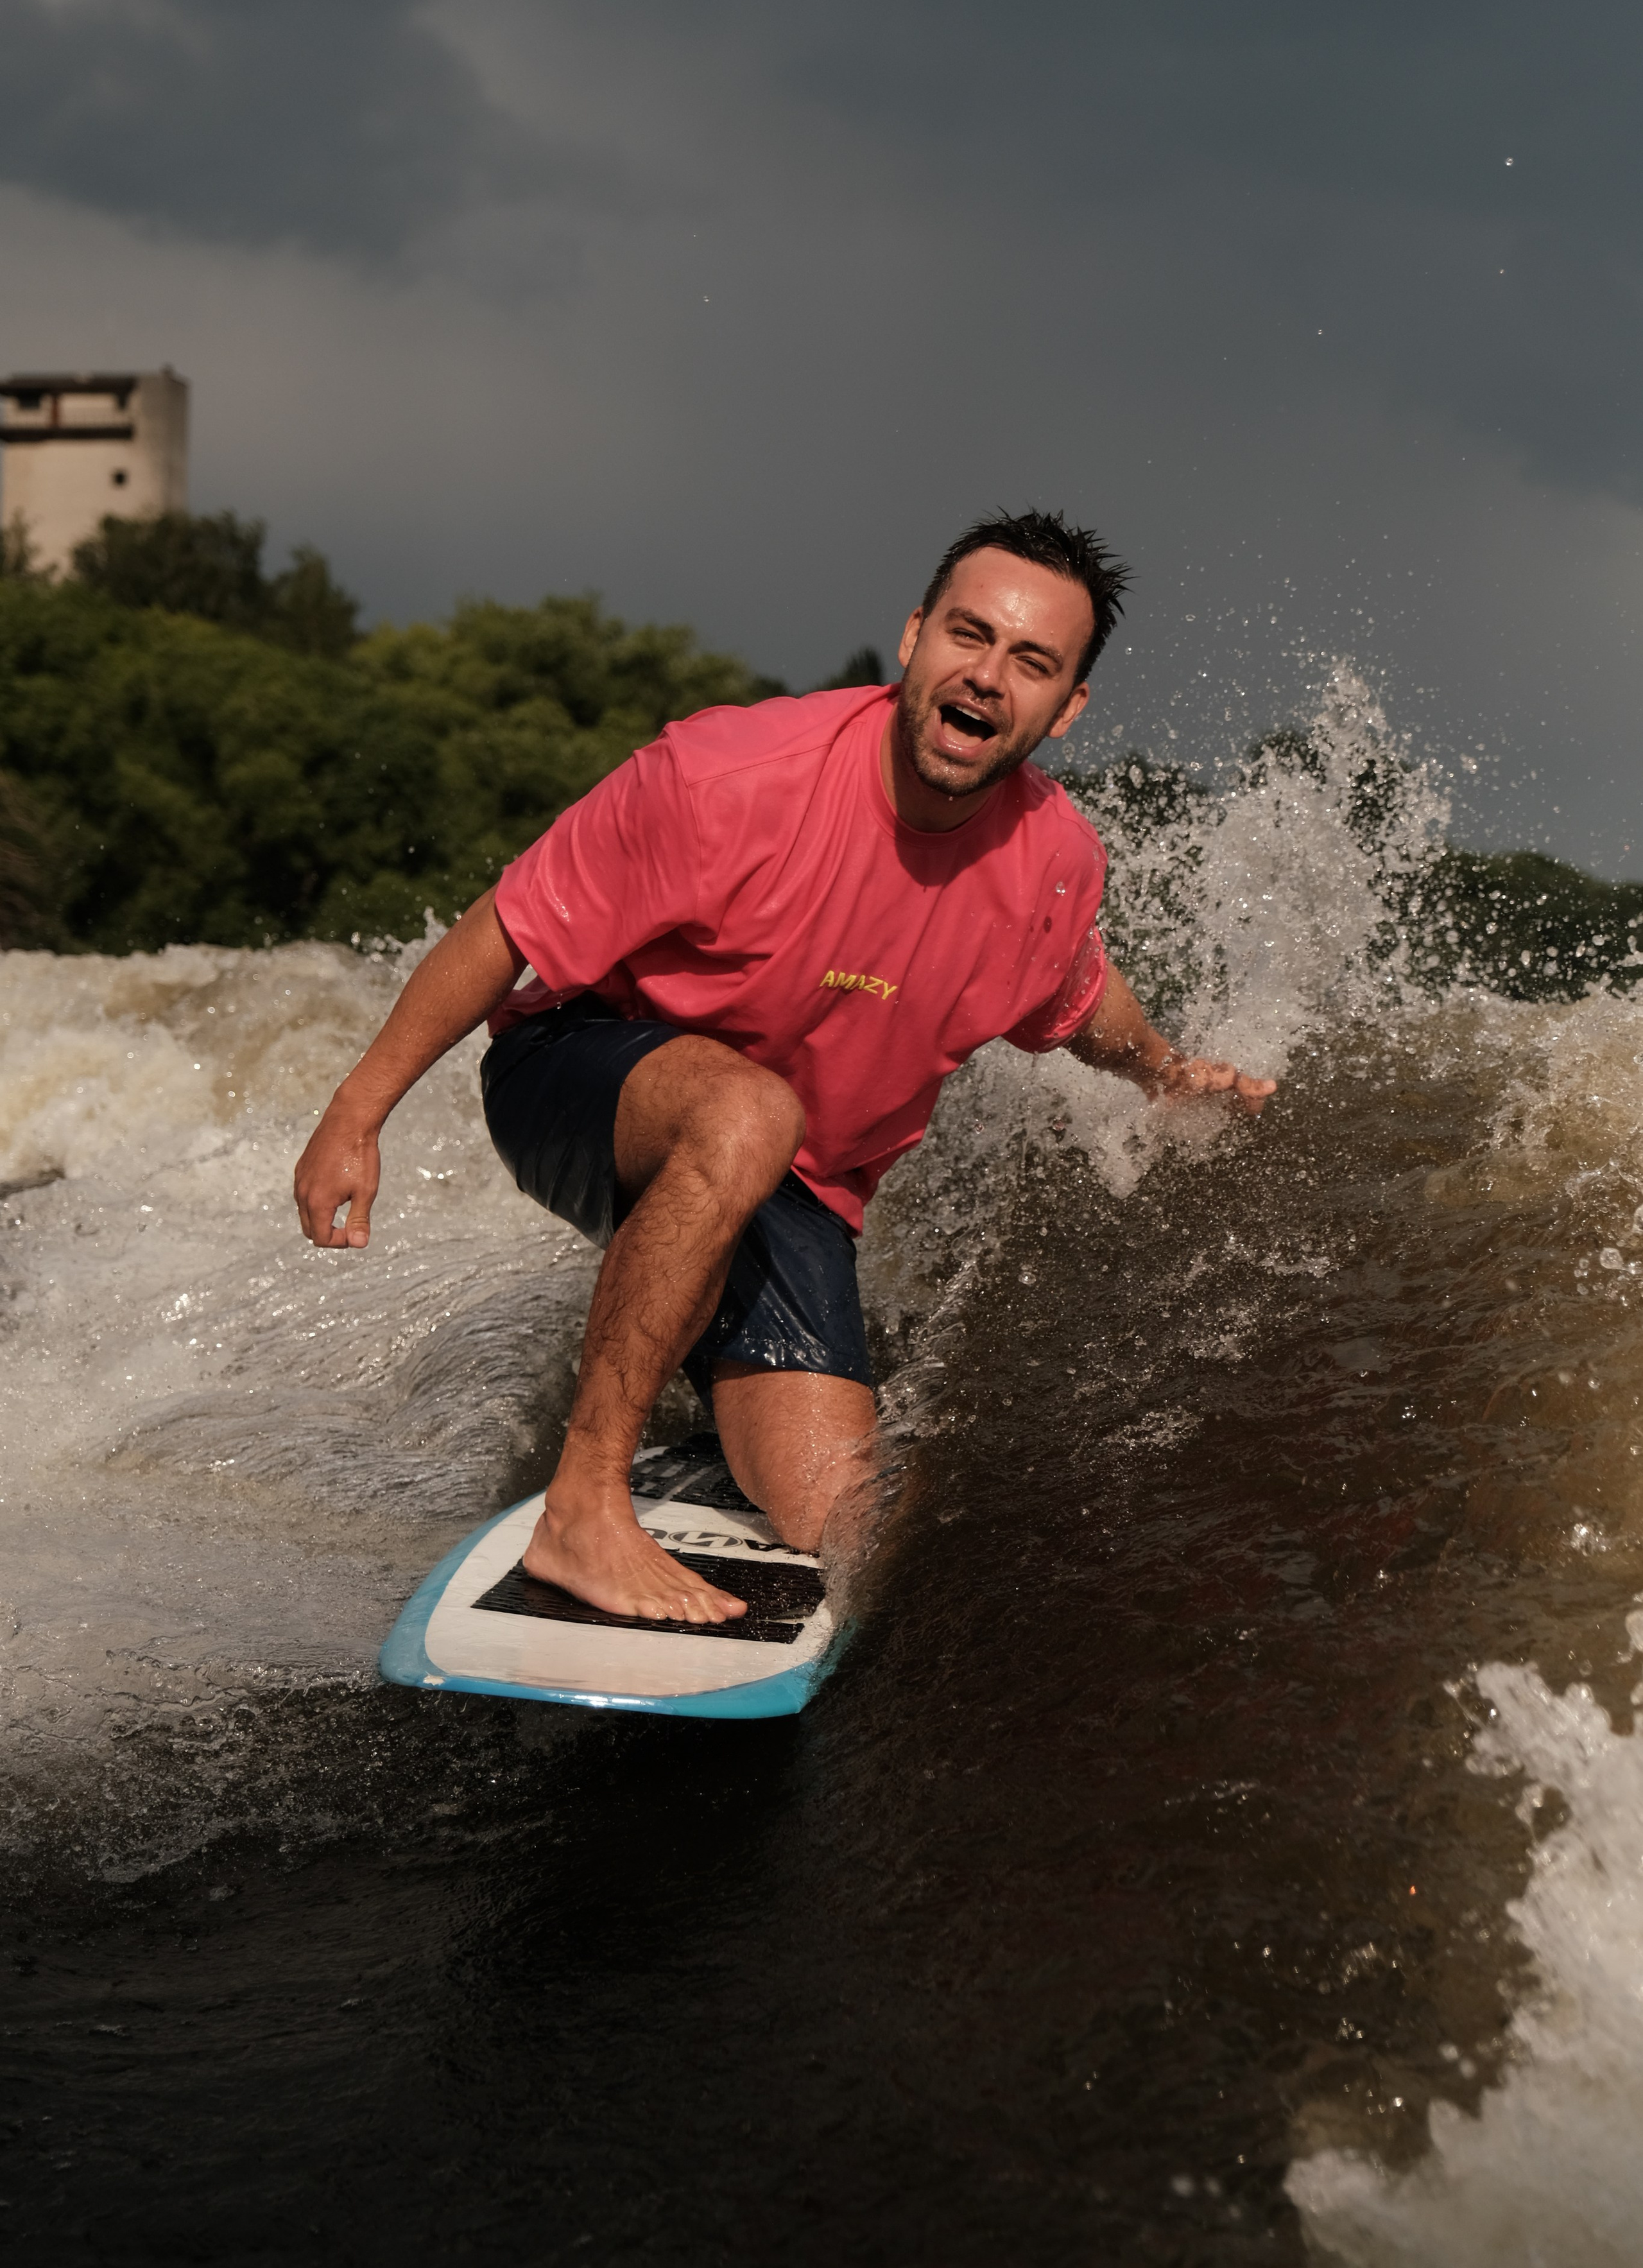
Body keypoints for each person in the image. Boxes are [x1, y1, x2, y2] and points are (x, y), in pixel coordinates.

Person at [294, 510, 1275, 1627]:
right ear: (913, 638)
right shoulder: (731, 776)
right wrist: (357, 1112)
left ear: (1067, 707)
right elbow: (508, 928)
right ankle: (583, 1506)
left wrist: (1160, 1072)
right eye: (969, 636)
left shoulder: (1049, 865)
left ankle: (708, 1373)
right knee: (748, 1114)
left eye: (1032, 662)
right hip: (575, 1070)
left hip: (794, 1180)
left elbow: (1076, 995)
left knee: (842, 1509)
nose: (988, 677)